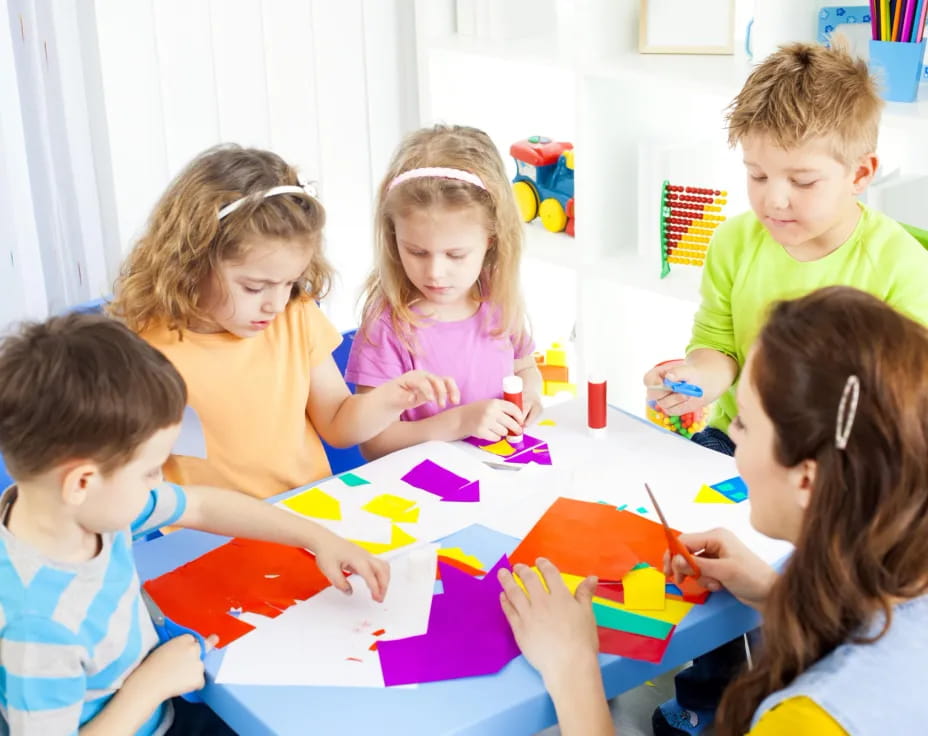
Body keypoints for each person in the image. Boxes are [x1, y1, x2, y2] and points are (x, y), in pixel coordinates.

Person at [641, 42, 928, 733]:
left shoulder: (897, 264)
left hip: (850, 472)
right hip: (742, 441)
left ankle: (781, 681)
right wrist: (696, 377)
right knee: (692, 555)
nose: (774, 198)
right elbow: (719, 345)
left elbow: (903, 414)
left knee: (800, 592)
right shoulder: (735, 242)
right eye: (757, 173)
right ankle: (705, 699)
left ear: (861, 172)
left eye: (801, 180)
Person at [501, 286, 928, 735]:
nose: (733, 439)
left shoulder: (812, 720)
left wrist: (572, 668)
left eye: (742, 422)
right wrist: (772, 593)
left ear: (807, 478)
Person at [0, 313, 391, 735]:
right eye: (152, 470)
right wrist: (149, 687)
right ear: (81, 482)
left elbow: (201, 507)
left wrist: (316, 537)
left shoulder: (77, 512)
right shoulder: (36, 630)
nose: (158, 482)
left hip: (164, 686)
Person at [110, 144, 455, 498]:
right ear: (193, 263)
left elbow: (337, 422)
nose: (275, 304)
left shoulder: (295, 315)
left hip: (308, 512)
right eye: (254, 287)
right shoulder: (143, 349)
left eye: (289, 283)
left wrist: (391, 400)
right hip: (209, 533)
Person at [345, 124, 543, 460]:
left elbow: (524, 366)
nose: (435, 273)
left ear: (490, 241)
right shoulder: (387, 324)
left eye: (456, 255)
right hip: (421, 489)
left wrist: (531, 396)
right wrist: (458, 423)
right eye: (417, 252)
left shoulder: (496, 293)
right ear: (394, 239)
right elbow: (374, 444)